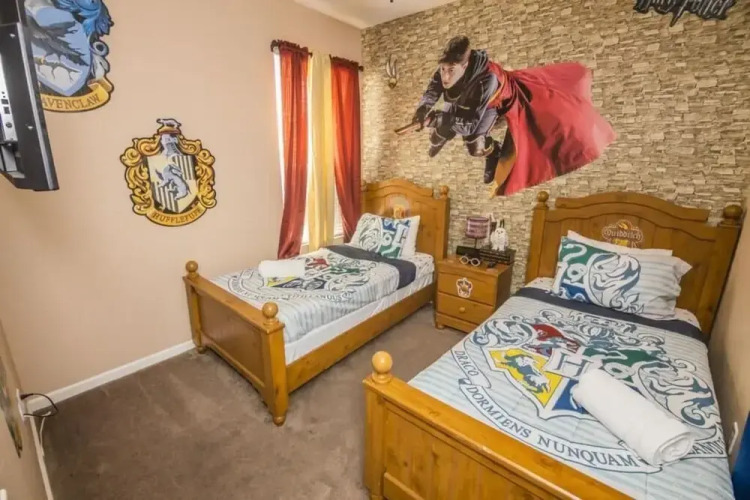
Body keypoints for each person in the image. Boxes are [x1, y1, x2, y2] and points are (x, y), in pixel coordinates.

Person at [410, 36, 616, 196]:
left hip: (494, 105)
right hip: (467, 98)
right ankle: (439, 137)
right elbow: (432, 91)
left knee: (473, 144)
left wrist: (439, 119)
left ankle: (493, 152)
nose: (445, 76)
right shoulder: (447, 68)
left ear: (464, 66)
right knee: (443, 123)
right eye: (443, 69)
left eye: (450, 70)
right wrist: (421, 111)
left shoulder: (487, 80)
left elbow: (469, 125)